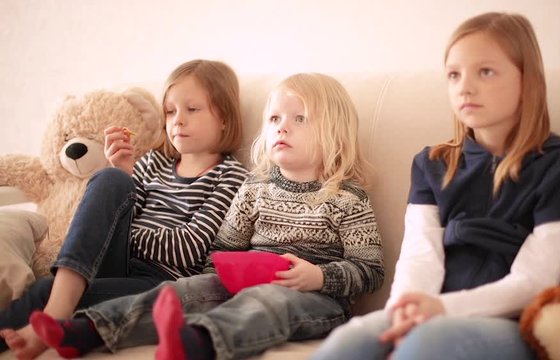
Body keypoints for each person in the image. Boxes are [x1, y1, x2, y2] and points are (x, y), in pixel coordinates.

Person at [25, 72, 385, 359]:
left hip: (315, 299)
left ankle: (198, 342)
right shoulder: (255, 189)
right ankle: (87, 330)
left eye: (300, 118)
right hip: (245, 284)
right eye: (274, 118)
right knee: (185, 289)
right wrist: (213, 283)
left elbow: (370, 271)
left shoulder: (346, 199)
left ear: (334, 134)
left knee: (266, 302)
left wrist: (319, 277)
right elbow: (222, 250)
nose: (282, 127)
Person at [312, 12, 560, 360]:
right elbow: (420, 256)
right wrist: (406, 310)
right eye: (453, 75)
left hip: (509, 321)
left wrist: (441, 310)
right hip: (429, 309)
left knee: (426, 346)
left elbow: (537, 280)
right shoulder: (431, 163)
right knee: (349, 341)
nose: (465, 86)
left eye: (486, 71)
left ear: (528, 80)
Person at [0, 59, 248, 359]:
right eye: (170, 111)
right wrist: (125, 179)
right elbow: (111, 223)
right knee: (110, 176)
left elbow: (188, 250)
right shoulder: (152, 163)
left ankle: (56, 311)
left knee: (46, 291)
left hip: (159, 280)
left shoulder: (231, 176)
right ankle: (57, 310)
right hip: (114, 262)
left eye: (192, 109)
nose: (177, 120)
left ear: (224, 117)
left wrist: (125, 230)